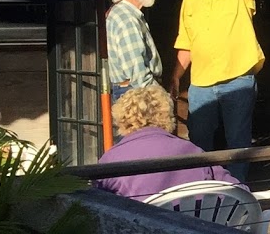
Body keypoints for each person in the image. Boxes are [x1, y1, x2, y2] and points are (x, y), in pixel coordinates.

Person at [170, 0, 261, 181]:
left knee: (238, 143)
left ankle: (237, 193)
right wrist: (176, 76)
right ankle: (203, 192)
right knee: (198, 143)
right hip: (201, 83)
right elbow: (187, 42)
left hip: (238, 76)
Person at [93, 85, 243, 200]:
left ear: (122, 120)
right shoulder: (193, 151)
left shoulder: (111, 160)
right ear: (167, 115)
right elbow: (238, 193)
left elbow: (98, 210)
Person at [106, 0, 161, 106]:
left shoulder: (126, 13)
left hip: (132, 90)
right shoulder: (127, 18)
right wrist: (159, 95)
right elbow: (136, 70)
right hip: (137, 93)